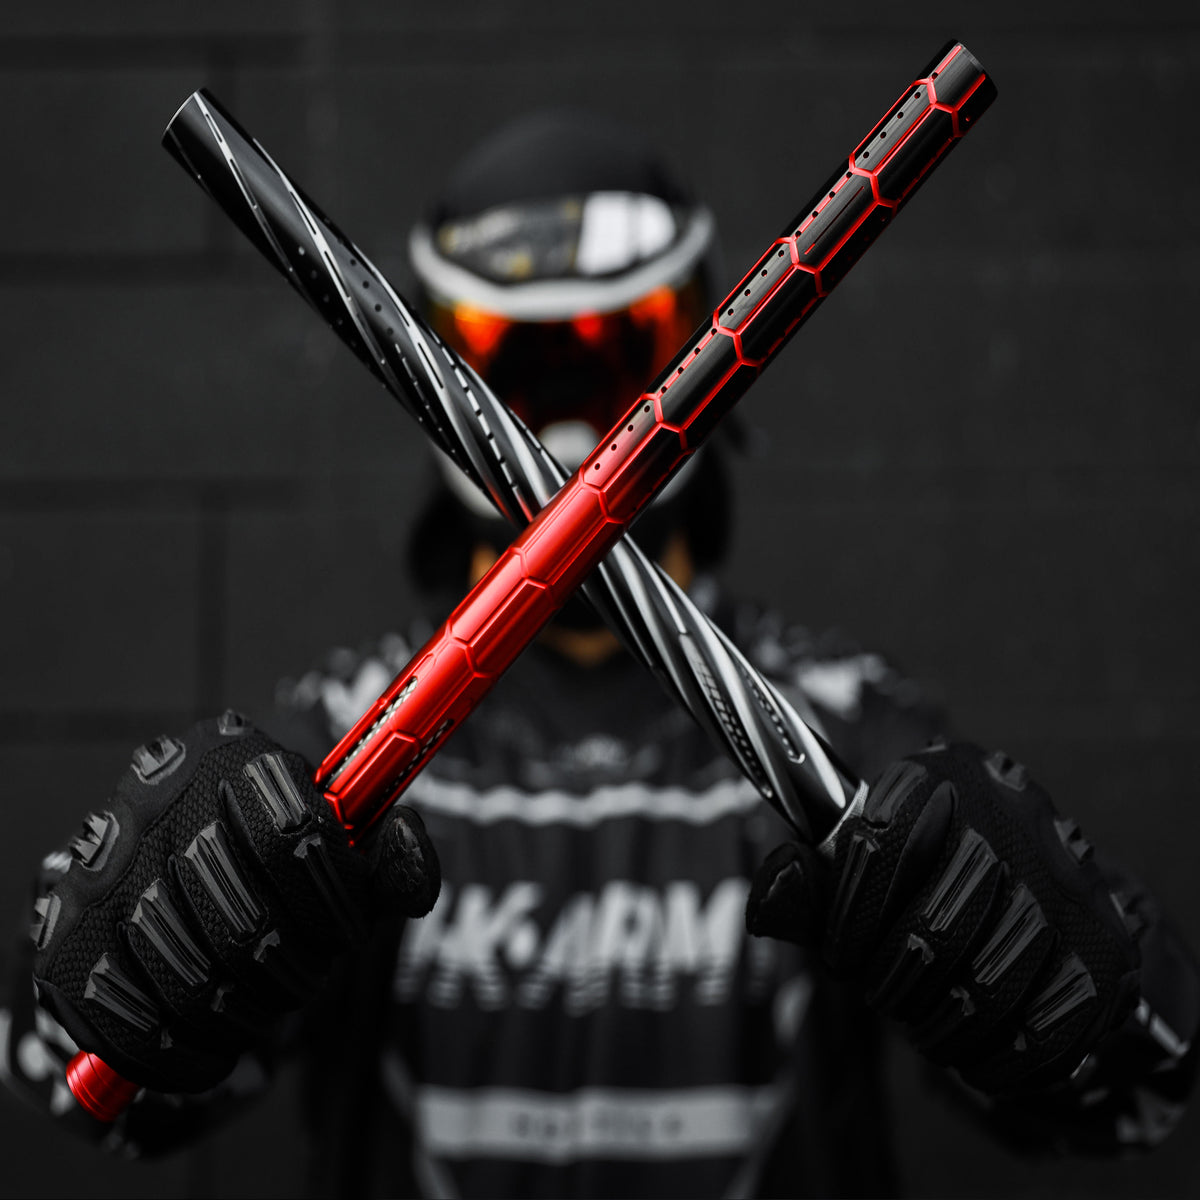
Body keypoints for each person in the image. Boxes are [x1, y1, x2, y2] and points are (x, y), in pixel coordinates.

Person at [3, 111, 1197, 1199]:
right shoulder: (335, 742)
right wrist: (111, 980)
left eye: (617, 350)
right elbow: (71, 1089)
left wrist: (1082, 1000)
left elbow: (1142, 1099)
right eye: (512, 364)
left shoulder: (848, 736)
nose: (569, 425)